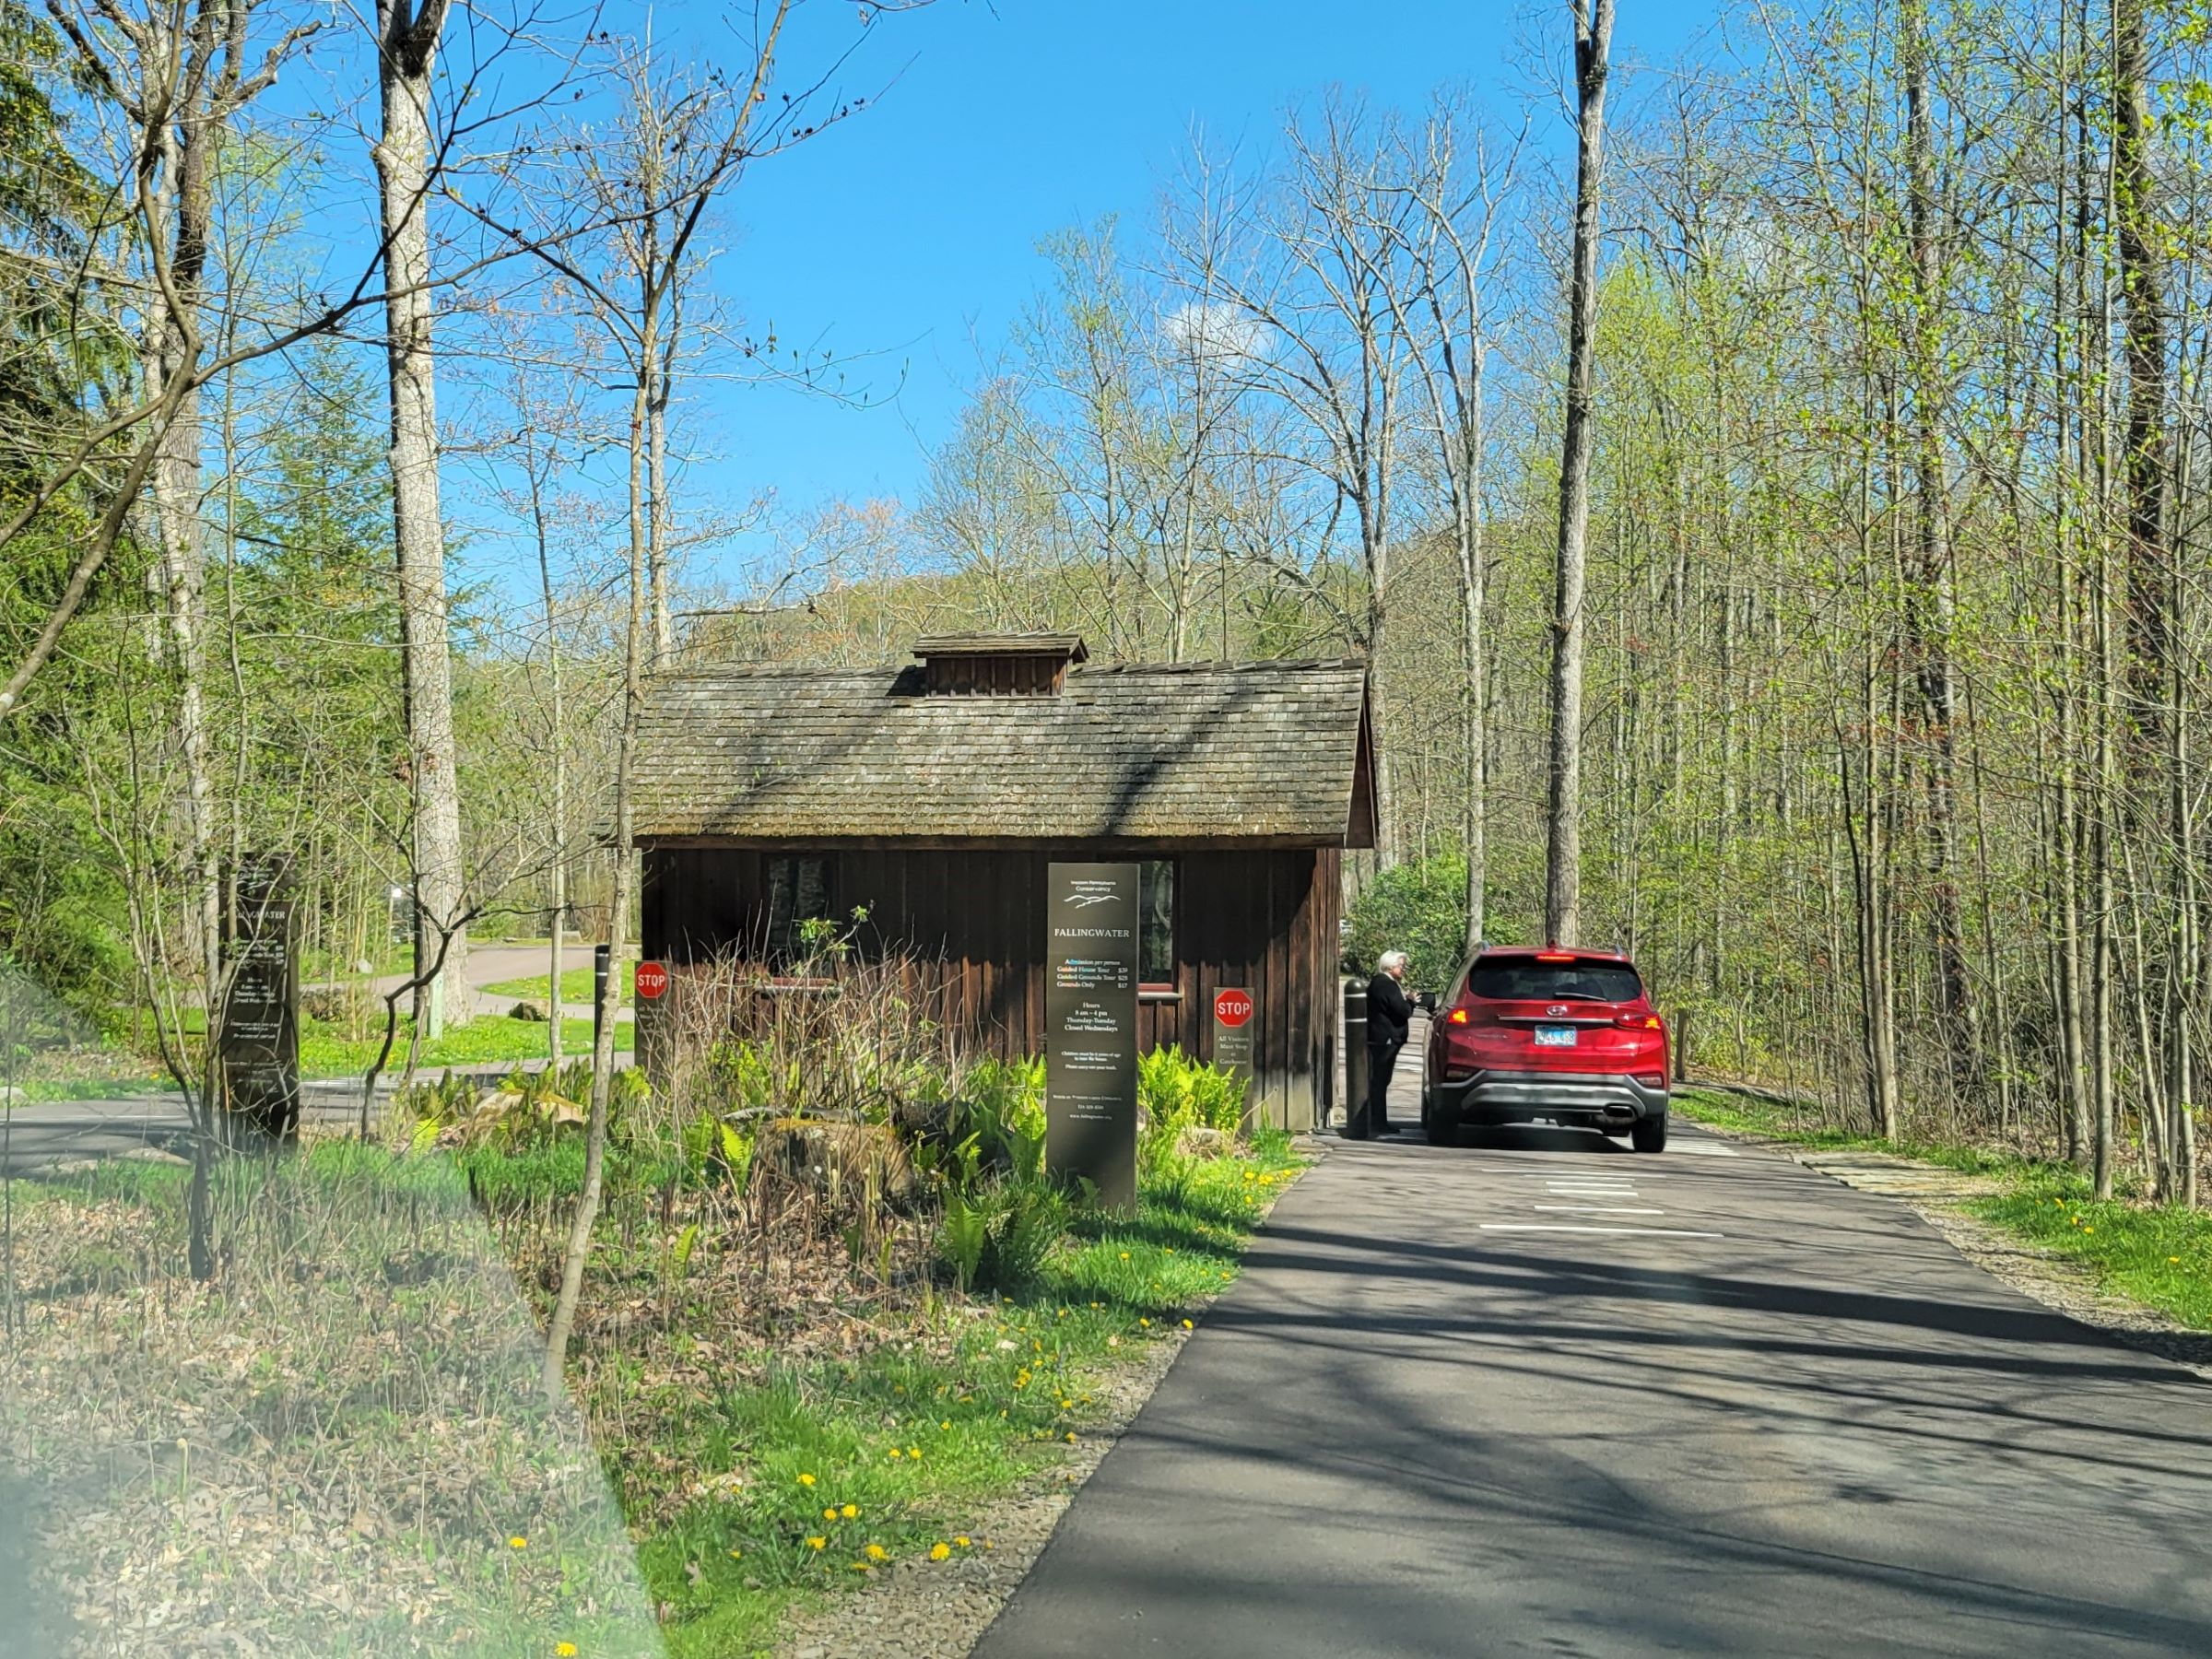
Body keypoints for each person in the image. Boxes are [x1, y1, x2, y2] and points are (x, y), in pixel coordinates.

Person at [1366, 949, 1413, 1135]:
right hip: (1386, 1038)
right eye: (1401, 966)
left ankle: (1377, 1120)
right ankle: (1379, 1122)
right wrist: (1410, 1001)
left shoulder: (1377, 983)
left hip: (1378, 1036)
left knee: (1379, 1081)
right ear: (1390, 966)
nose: (1403, 969)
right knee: (1380, 1081)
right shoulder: (1387, 985)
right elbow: (1402, 1011)